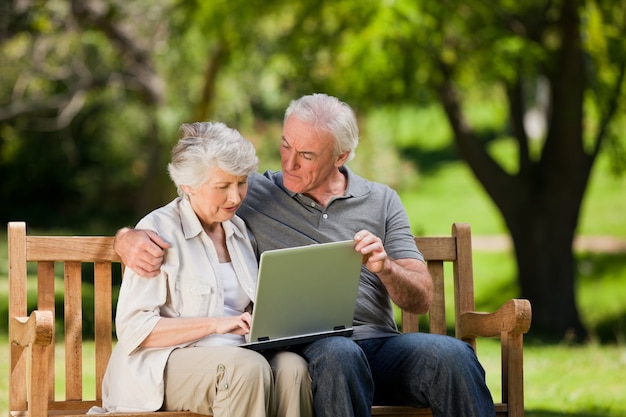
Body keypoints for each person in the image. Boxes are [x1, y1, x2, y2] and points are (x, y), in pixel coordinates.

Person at [114, 94, 495, 417]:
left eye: (307, 154)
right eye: (285, 145)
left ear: (341, 156)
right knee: (338, 354)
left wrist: (386, 267)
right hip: (310, 346)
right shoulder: (253, 194)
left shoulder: (382, 200)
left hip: (379, 343)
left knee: (453, 356)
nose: (289, 162)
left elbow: (420, 299)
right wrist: (126, 239)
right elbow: (192, 198)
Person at [96, 122, 313, 417]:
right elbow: (135, 329)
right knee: (245, 369)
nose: (235, 197)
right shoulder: (157, 232)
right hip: (167, 367)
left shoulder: (239, 232)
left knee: (294, 368)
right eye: (222, 187)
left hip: (238, 358)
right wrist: (215, 324)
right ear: (188, 186)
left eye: (241, 182)